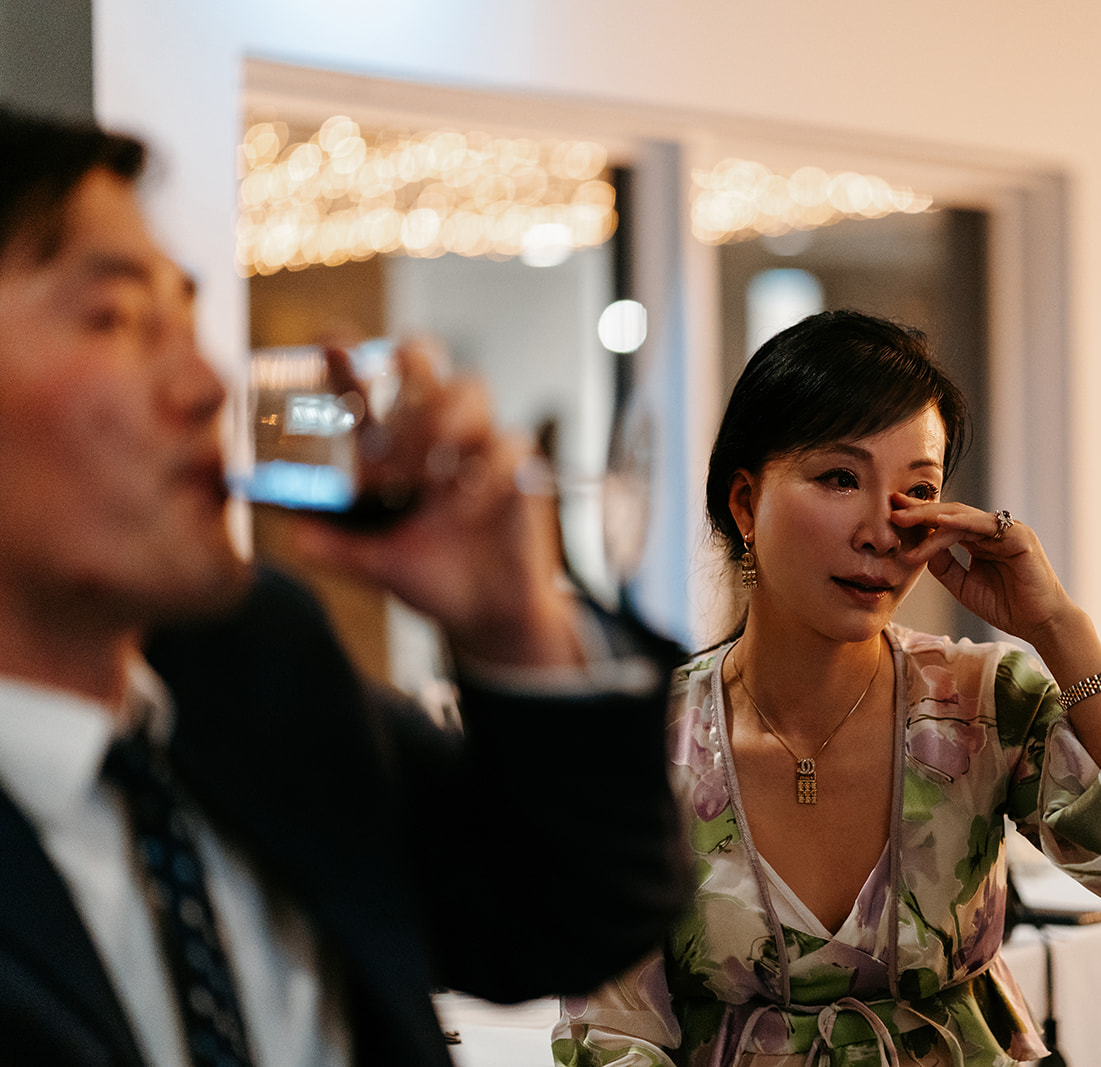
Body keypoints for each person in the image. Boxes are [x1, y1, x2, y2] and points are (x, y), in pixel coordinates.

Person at [0, 107, 687, 1066]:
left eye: (186, 320)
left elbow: (574, 916)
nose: (206, 385)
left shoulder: (252, 662)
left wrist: (513, 628)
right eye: (114, 317)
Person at [553, 310, 1101, 1067]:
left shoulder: (982, 704)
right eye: (840, 478)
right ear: (745, 504)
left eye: (917, 491)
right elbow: (610, 1036)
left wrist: (1059, 627)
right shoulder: (642, 747)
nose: (880, 530)